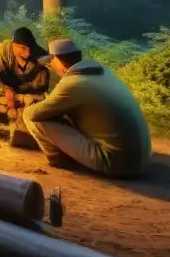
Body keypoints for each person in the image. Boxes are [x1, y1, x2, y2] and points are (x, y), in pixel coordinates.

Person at [23, 38, 151, 178]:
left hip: (116, 162)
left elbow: (33, 114)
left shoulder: (72, 83)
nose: (51, 66)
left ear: (57, 60)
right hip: (142, 159)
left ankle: (60, 160)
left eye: (51, 61)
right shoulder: (104, 73)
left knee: (34, 119)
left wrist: (31, 104)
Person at [0, 26, 50, 122]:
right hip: (6, 90)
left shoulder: (40, 55)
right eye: (23, 48)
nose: (28, 54)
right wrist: (5, 89)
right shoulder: (5, 49)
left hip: (28, 93)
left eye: (30, 49)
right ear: (13, 45)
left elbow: (43, 84)